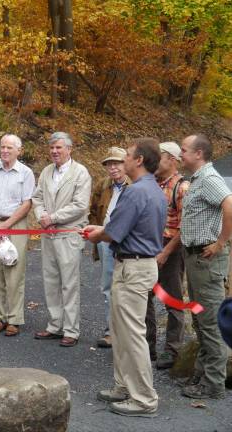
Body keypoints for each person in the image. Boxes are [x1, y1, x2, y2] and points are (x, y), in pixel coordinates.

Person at [83, 137, 166, 417]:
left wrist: (98, 233)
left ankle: (143, 399)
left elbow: (113, 232)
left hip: (133, 267)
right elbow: (124, 226)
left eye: (128, 155)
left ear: (139, 160)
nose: (124, 159)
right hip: (136, 264)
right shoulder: (152, 189)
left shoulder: (135, 192)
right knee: (120, 332)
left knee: (132, 335)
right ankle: (123, 386)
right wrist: (103, 228)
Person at [179, 133, 232, 400]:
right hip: (195, 259)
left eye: (184, 150)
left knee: (210, 322)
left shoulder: (210, 179)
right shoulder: (197, 179)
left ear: (198, 153)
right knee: (200, 318)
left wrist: (221, 242)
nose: (181, 154)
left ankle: (213, 384)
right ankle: (202, 373)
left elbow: (230, 205)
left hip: (206, 260)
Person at [33, 132, 92, 347]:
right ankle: (55, 325)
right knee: (50, 280)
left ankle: (71, 330)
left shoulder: (80, 173)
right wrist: (41, 216)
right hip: (48, 233)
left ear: (69, 149)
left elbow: (80, 205)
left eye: (59, 147)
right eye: (52, 148)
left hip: (68, 233)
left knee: (69, 283)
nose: (55, 151)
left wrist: (54, 217)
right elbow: (37, 197)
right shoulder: (47, 172)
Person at [0, 134, 35, 336]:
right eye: (2, 147)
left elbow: (27, 203)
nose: (5, 151)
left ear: (19, 151)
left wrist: (7, 226)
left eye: (9, 147)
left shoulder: (26, 173)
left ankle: (14, 318)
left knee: (14, 273)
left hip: (15, 225)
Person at [145, 142, 189, 368]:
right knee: (145, 297)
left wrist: (166, 252)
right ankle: (147, 346)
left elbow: (185, 227)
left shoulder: (181, 188)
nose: (154, 161)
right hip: (150, 245)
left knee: (172, 299)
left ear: (172, 159)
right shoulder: (151, 183)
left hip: (171, 247)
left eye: (160, 157)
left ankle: (172, 350)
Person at [88, 147, 130, 349]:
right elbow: (94, 210)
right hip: (106, 241)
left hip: (126, 244)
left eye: (117, 163)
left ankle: (127, 332)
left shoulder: (135, 186)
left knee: (126, 288)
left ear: (127, 164)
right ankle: (110, 331)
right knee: (107, 287)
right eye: (109, 164)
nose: (113, 167)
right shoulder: (103, 186)